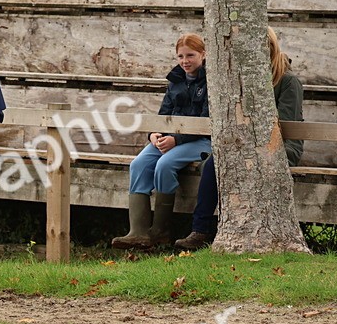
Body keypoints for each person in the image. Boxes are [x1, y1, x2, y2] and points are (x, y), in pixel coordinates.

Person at [175, 28, 304, 250]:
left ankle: (202, 229)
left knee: (217, 162)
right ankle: (202, 229)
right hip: (247, 144)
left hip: (282, 147)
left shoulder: (287, 80)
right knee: (211, 164)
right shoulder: (245, 78)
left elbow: (285, 125)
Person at [112, 33, 211, 250]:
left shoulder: (211, 81)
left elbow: (206, 121)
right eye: (180, 56)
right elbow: (163, 113)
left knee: (164, 164)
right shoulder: (175, 80)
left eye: (191, 55)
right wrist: (154, 134)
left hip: (201, 140)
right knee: (138, 164)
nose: (185, 61)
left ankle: (160, 231)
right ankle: (137, 232)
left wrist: (176, 139)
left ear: (203, 54)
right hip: (170, 139)